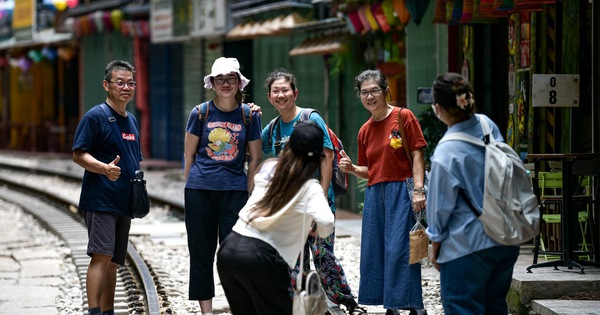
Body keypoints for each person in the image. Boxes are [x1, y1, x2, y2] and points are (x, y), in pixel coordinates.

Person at [261, 68, 365, 314]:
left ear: (295, 93)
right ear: (269, 97)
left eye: (285, 90)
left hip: (318, 201)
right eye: (275, 91)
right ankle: (299, 306)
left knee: (323, 256)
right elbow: (253, 145)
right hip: (290, 205)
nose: (280, 95)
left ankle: (347, 303)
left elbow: (327, 157)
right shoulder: (274, 128)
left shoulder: (310, 118)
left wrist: (323, 196)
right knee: (293, 260)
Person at [216, 120, 335, 314]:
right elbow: (327, 221)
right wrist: (317, 231)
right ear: (317, 157)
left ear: (289, 147)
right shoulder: (309, 186)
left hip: (228, 251)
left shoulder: (268, 168)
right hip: (260, 258)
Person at [425, 73, 520, 315]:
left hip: (466, 245)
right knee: (495, 308)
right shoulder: (488, 126)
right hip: (504, 237)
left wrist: (435, 244)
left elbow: (439, 209)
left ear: (438, 108)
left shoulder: (446, 151)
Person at [338, 69, 428, 315]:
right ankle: (392, 305)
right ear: (359, 96)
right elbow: (371, 170)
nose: (370, 96)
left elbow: (418, 153)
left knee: (400, 249)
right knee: (376, 251)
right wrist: (352, 168)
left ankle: (414, 306)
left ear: (385, 91)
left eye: (374, 90)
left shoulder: (403, 117)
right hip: (375, 194)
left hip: (402, 189)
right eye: (364, 92)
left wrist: (419, 191)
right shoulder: (364, 131)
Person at [183, 57, 262, 315]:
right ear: (212, 84)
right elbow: (189, 155)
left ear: (239, 83)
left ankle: (237, 305)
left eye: (231, 79)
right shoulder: (200, 113)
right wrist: (190, 184)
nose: (226, 84)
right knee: (201, 253)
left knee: (234, 255)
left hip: (234, 192)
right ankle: (206, 311)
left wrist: (250, 189)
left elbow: (256, 157)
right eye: (220, 79)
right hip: (200, 191)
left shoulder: (249, 115)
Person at [72, 60, 141, 315]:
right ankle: (93, 311)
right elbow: (79, 154)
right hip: (101, 198)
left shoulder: (131, 120)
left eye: (131, 83)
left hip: (124, 200)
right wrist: (104, 168)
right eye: (120, 82)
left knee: (113, 262)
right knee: (100, 256)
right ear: (106, 85)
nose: (126, 87)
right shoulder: (95, 116)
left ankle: (108, 311)